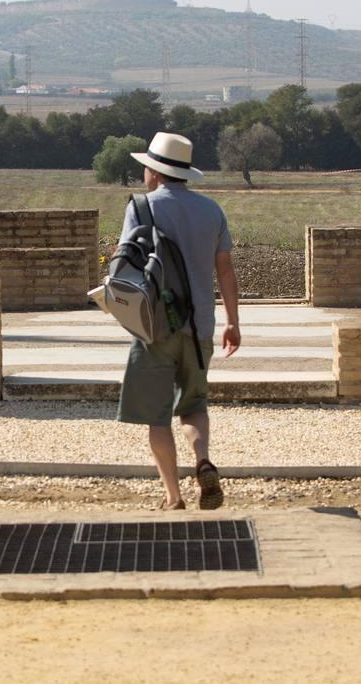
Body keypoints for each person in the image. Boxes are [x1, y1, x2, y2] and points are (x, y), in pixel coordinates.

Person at [117, 131, 240, 510]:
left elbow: (124, 270)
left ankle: (173, 496)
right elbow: (226, 271)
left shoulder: (141, 208)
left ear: (154, 172)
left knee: (157, 415)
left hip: (154, 327)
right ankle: (202, 459)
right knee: (194, 406)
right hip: (200, 326)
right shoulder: (212, 211)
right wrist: (232, 322)